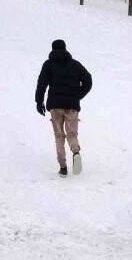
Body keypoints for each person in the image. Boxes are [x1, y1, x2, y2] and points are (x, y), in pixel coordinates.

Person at [34, 39, 93, 177]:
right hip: (71, 106)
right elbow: (88, 80)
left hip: (55, 106)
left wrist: (39, 101)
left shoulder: (48, 65)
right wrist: (78, 95)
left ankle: (63, 167)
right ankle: (76, 152)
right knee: (72, 134)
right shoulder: (75, 64)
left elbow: (41, 83)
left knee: (59, 136)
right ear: (65, 48)